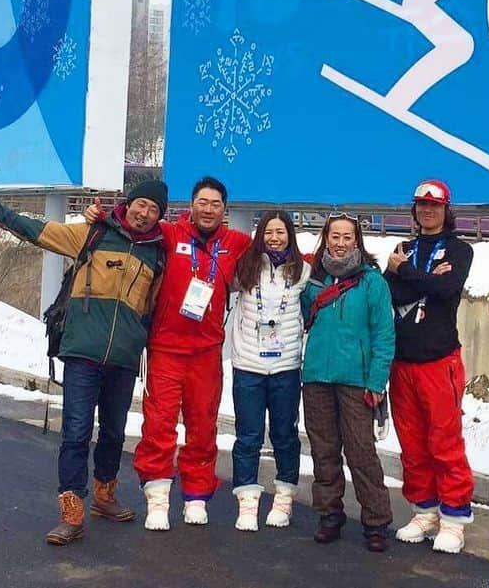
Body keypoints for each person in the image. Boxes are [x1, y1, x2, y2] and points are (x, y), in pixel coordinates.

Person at [0, 180, 168, 546]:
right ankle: (71, 511)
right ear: (128, 204)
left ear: (160, 216)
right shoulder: (91, 234)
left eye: (153, 209)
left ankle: (104, 496)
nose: (144, 213)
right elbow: (35, 230)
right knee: (77, 431)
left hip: (125, 359)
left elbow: (154, 307)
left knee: (114, 433)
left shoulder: (158, 254)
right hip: (82, 352)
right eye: (140, 204)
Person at [131, 176, 251, 529]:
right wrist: (98, 215)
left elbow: (282, 251)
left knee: (203, 426)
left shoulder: (237, 243)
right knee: (159, 424)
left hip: (207, 353)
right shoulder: (170, 234)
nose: (208, 209)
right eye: (202, 202)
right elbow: (134, 224)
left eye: (215, 204)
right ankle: (157, 496)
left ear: (225, 210)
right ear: (192, 205)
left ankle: (197, 496)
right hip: (166, 348)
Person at [383, 179, 475, 554]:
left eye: (434, 206)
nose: (427, 211)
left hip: (440, 363)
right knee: (412, 444)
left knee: (445, 442)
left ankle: (454, 518)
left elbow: (445, 291)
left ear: (446, 210)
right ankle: (425, 511)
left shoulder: (460, 249)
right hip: (403, 362)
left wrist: (407, 274)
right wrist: (420, 279)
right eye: (421, 205)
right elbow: (391, 292)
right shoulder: (403, 248)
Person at [300, 213, 396, 552]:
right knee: (323, 450)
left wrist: (377, 380)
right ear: (326, 239)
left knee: (361, 452)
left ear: (357, 241)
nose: (340, 243)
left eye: (347, 237)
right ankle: (329, 513)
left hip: (357, 380)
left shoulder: (373, 283)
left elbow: (384, 336)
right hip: (316, 377)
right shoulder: (313, 280)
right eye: (335, 236)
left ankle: (376, 520)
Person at [228, 210, 311, 532]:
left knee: (285, 436)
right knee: (247, 436)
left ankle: (284, 499)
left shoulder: (304, 271)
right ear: (260, 234)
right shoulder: (245, 267)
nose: (275, 238)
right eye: (269, 232)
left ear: (290, 235)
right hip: (248, 365)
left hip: (286, 367)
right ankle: (247, 501)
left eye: (281, 232)